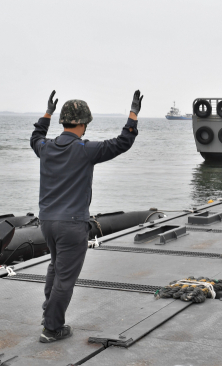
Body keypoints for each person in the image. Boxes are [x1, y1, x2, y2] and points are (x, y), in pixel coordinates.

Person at [30, 90, 143, 343]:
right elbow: (123, 142)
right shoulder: (86, 150)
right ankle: (52, 328)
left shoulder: (46, 148)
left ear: (63, 122)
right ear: (83, 124)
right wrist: (133, 114)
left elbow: (35, 137)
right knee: (65, 277)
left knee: (55, 267)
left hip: (47, 222)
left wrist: (46, 113)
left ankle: (49, 313)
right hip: (71, 225)